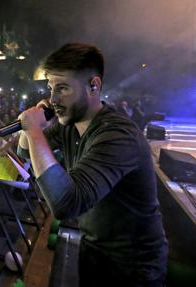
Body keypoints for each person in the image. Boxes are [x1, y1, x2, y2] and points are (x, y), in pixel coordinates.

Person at [17, 43, 167, 286]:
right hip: (92, 249)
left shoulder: (117, 134)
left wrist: (34, 131)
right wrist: (34, 123)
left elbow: (66, 203)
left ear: (93, 86)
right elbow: (23, 151)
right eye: (51, 88)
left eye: (63, 88)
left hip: (133, 267)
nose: (53, 99)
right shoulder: (69, 123)